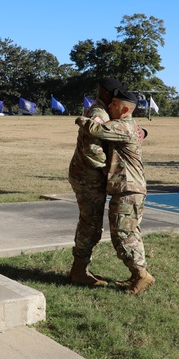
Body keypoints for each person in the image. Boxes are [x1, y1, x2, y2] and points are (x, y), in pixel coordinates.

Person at [75, 88, 154, 295]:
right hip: (127, 188)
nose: (109, 106)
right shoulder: (126, 125)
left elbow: (95, 129)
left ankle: (142, 274)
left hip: (129, 188)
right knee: (128, 231)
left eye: (114, 104)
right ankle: (137, 274)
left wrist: (81, 119)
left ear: (126, 109)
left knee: (123, 233)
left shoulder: (122, 126)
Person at [68, 78, 123, 286]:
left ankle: (80, 268)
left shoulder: (101, 111)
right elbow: (92, 149)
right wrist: (104, 172)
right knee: (90, 225)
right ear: (108, 94)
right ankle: (79, 271)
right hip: (88, 177)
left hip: (86, 175)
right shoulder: (99, 114)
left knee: (89, 223)